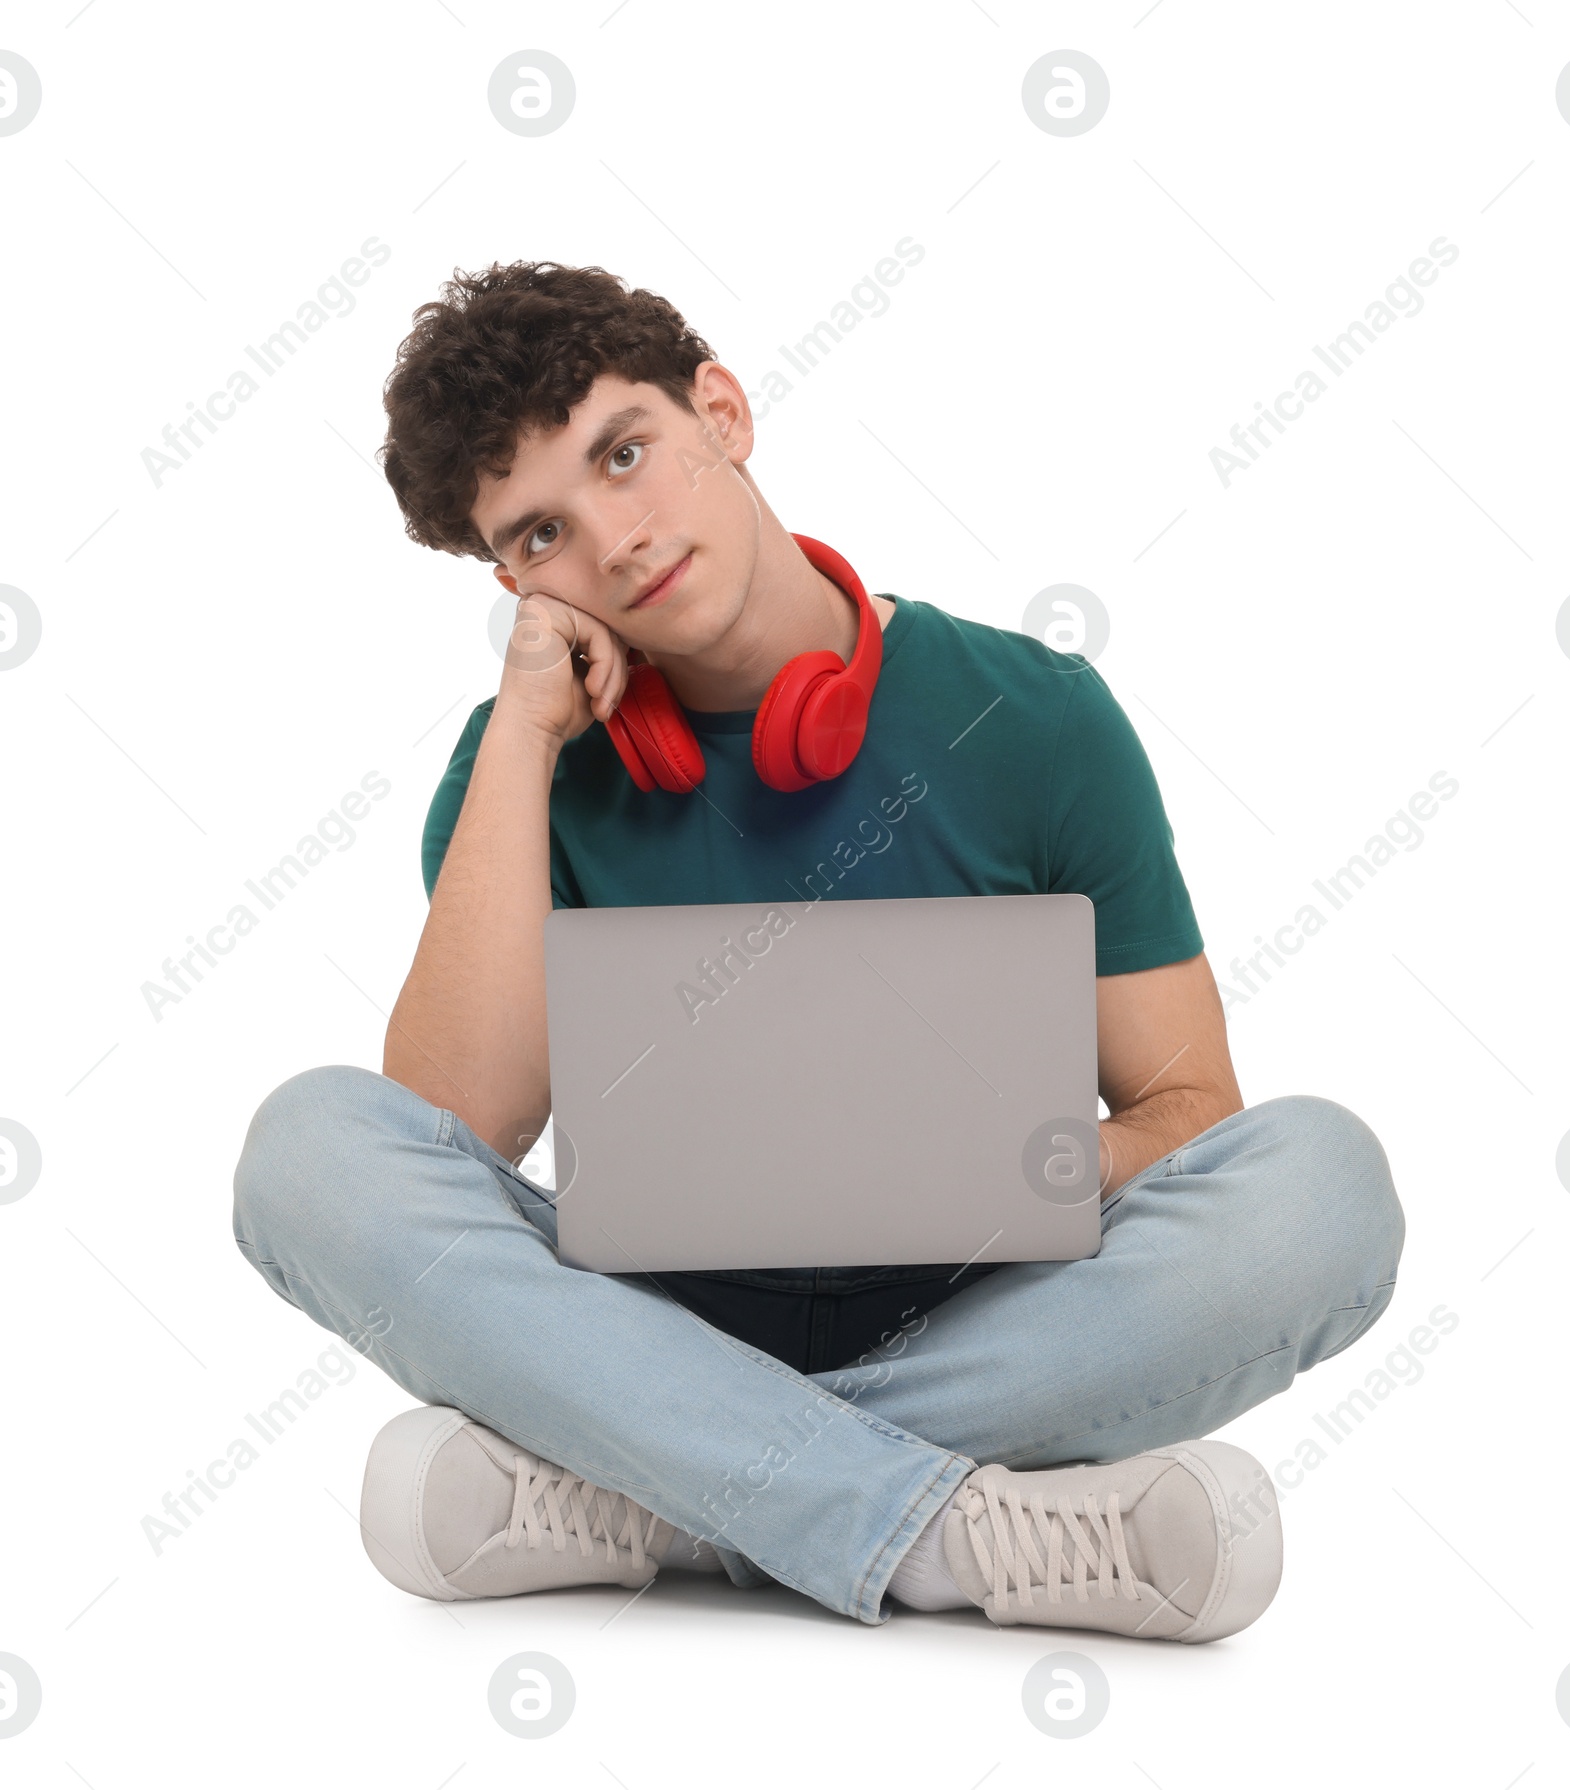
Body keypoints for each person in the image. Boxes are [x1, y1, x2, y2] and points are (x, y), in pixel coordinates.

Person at [231, 261, 1404, 1635]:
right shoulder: (516, 769)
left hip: (985, 1314)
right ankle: (945, 1533)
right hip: (649, 1317)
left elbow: (1195, 1113)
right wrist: (528, 732)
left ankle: (664, 1493)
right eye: (542, 533)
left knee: (1322, 1191)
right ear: (512, 580)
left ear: (720, 410)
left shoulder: (1035, 718)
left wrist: (1006, 1166)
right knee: (306, 1149)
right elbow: (448, 1131)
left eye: (626, 454)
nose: (611, 540)